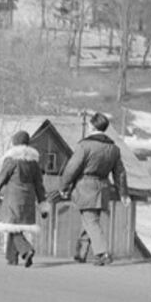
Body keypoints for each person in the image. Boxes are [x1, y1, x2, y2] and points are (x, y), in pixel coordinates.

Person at [58, 111, 128, 266]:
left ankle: (103, 253)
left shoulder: (84, 145)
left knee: (90, 221)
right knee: (90, 220)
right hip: (103, 187)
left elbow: (72, 168)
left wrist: (64, 186)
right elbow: (120, 173)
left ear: (92, 126)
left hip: (86, 186)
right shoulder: (114, 149)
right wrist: (123, 193)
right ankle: (81, 253)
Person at [0, 130, 46, 267]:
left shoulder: (11, 161)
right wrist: (42, 202)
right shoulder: (34, 163)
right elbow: (39, 184)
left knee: (12, 226)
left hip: (13, 197)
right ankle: (11, 258)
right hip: (28, 199)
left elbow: (0, 179)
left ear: (14, 143)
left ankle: (26, 250)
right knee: (15, 226)